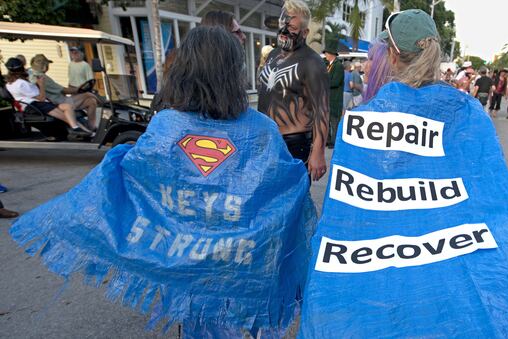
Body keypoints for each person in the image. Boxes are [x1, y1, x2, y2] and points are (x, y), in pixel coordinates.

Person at [10, 26, 315, 338]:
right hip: (239, 265)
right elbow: (287, 188)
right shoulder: (260, 129)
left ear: (185, 69)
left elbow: (138, 173)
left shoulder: (167, 125)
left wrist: (119, 160)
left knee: (194, 321)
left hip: (181, 263)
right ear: (235, 72)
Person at [300, 9, 508, 338]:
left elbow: (346, 217)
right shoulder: (469, 112)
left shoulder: (358, 121)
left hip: (375, 275)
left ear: (392, 55)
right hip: (450, 272)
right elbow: (490, 193)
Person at [257, 0, 328, 181]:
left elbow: (322, 109)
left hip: (293, 145)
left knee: (292, 202)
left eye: (292, 28)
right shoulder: (273, 55)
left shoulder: (312, 62)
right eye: (282, 24)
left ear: (305, 32)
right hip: (266, 139)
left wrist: (318, 152)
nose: (284, 31)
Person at [4, 58, 91, 137]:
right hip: (36, 106)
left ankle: (79, 129)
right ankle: (83, 131)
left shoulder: (9, 84)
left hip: (34, 105)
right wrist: (41, 84)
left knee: (67, 107)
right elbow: (41, 98)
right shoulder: (22, 83)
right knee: (67, 118)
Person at [29, 54, 98, 131]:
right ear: (44, 66)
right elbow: (63, 90)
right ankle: (102, 107)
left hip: (57, 100)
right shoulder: (42, 77)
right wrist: (78, 89)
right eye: (47, 64)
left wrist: (79, 89)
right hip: (59, 102)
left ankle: (91, 126)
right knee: (88, 95)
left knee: (91, 101)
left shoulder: (32, 75)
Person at [324, 43, 343, 148]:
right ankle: (328, 140)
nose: (325, 55)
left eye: (326, 53)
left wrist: (323, 83)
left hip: (335, 100)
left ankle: (334, 142)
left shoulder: (338, 66)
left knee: (334, 122)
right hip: (328, 99)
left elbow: (335, 82)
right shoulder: (328, 65)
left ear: (331, 54)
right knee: (327, 121)